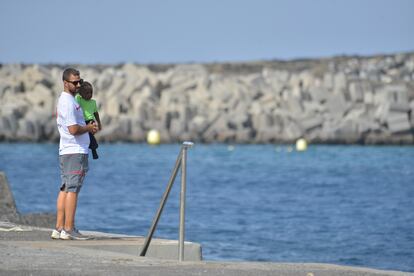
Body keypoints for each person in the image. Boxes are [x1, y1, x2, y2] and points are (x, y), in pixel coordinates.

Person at [51, 68, 98, 240]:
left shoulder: (69, 100)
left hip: (68, 150)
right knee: (72, 189)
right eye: (75, 82)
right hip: (74, 151)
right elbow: (73, 129)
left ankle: (59, 228)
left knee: (65, 187)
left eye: (80, 81)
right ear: (65, 83)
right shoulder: (68, 102)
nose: (79, 85)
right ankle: (68, 229)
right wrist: (89, 128)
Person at [75, 81, 102, 159]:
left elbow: (96, 113)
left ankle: (94, 149)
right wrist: (80, 83)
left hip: (90, 121)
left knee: (89, 135)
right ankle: (91, 148)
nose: (89, 95)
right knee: (86, 136)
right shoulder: (79, 99)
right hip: (82, 121)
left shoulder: (93, 102)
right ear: (81, 94)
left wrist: (99, 123)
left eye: (91, 93)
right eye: (87, 93)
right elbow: (76, 92)